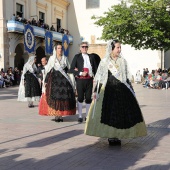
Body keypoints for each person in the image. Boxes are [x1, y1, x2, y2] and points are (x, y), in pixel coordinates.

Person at [84, 39, 147, 145]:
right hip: (109, 90)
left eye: (120, 47)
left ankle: (118, 135)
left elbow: (126, 78)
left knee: (121, 113)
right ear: (111, 48)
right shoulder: (104, 62)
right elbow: (100, 78)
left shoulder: (123, 61)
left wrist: (132, 90)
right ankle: (111, 136)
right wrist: (96, 91)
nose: (119, 49)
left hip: (122, 90)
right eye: (117, 47)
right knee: (109, 113)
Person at [38, 44, 76, 122]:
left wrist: (75, 71)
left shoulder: (65, 58)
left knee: (62, 98)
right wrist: (45, 81)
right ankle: (56, 115)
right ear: (55, 50)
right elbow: (48, 70)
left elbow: (68, 69)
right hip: (54, 81)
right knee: (56, 97)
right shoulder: (52, 59)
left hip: (63, 81)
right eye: (58, 48)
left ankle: (61, 115)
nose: (60, 50)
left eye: (61, 48)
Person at [68, 42, 100, 123]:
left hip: (89, 80)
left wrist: (98, 77)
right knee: (80, 98)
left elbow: (95, 69)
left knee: (88, 98)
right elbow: (71, 69)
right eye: (83, 47)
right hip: (80, 80)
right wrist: (80, 73)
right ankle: (80, 116)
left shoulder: (91, 57)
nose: (84, 48)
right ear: (80, 48)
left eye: (86, 47)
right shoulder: (77, 57)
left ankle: (87, 116)